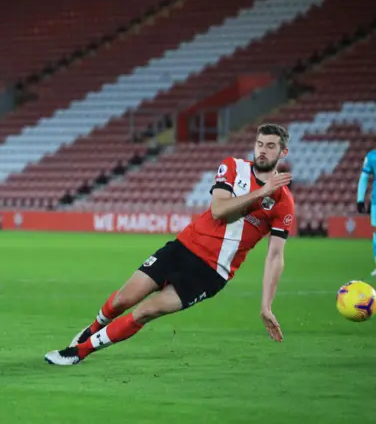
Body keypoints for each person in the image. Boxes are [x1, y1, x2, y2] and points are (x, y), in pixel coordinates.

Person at [45, 123, 294, 365]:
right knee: (123, 299)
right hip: (182, 248)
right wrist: (261, 192)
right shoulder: (233, 166)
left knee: (146, 311)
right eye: (259, 144)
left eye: (270, 146)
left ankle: (79, 352)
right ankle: (92, 329)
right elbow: (218, 210)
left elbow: (275, 256)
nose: (262, 150)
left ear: (283, 152)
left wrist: (266, 306)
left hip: (210, 273)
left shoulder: (284, 203)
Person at [356, 148, 376, 275]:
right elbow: (364, 177)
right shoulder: (372, 156)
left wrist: (360, 199)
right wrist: (360, 199)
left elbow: (364, 178)